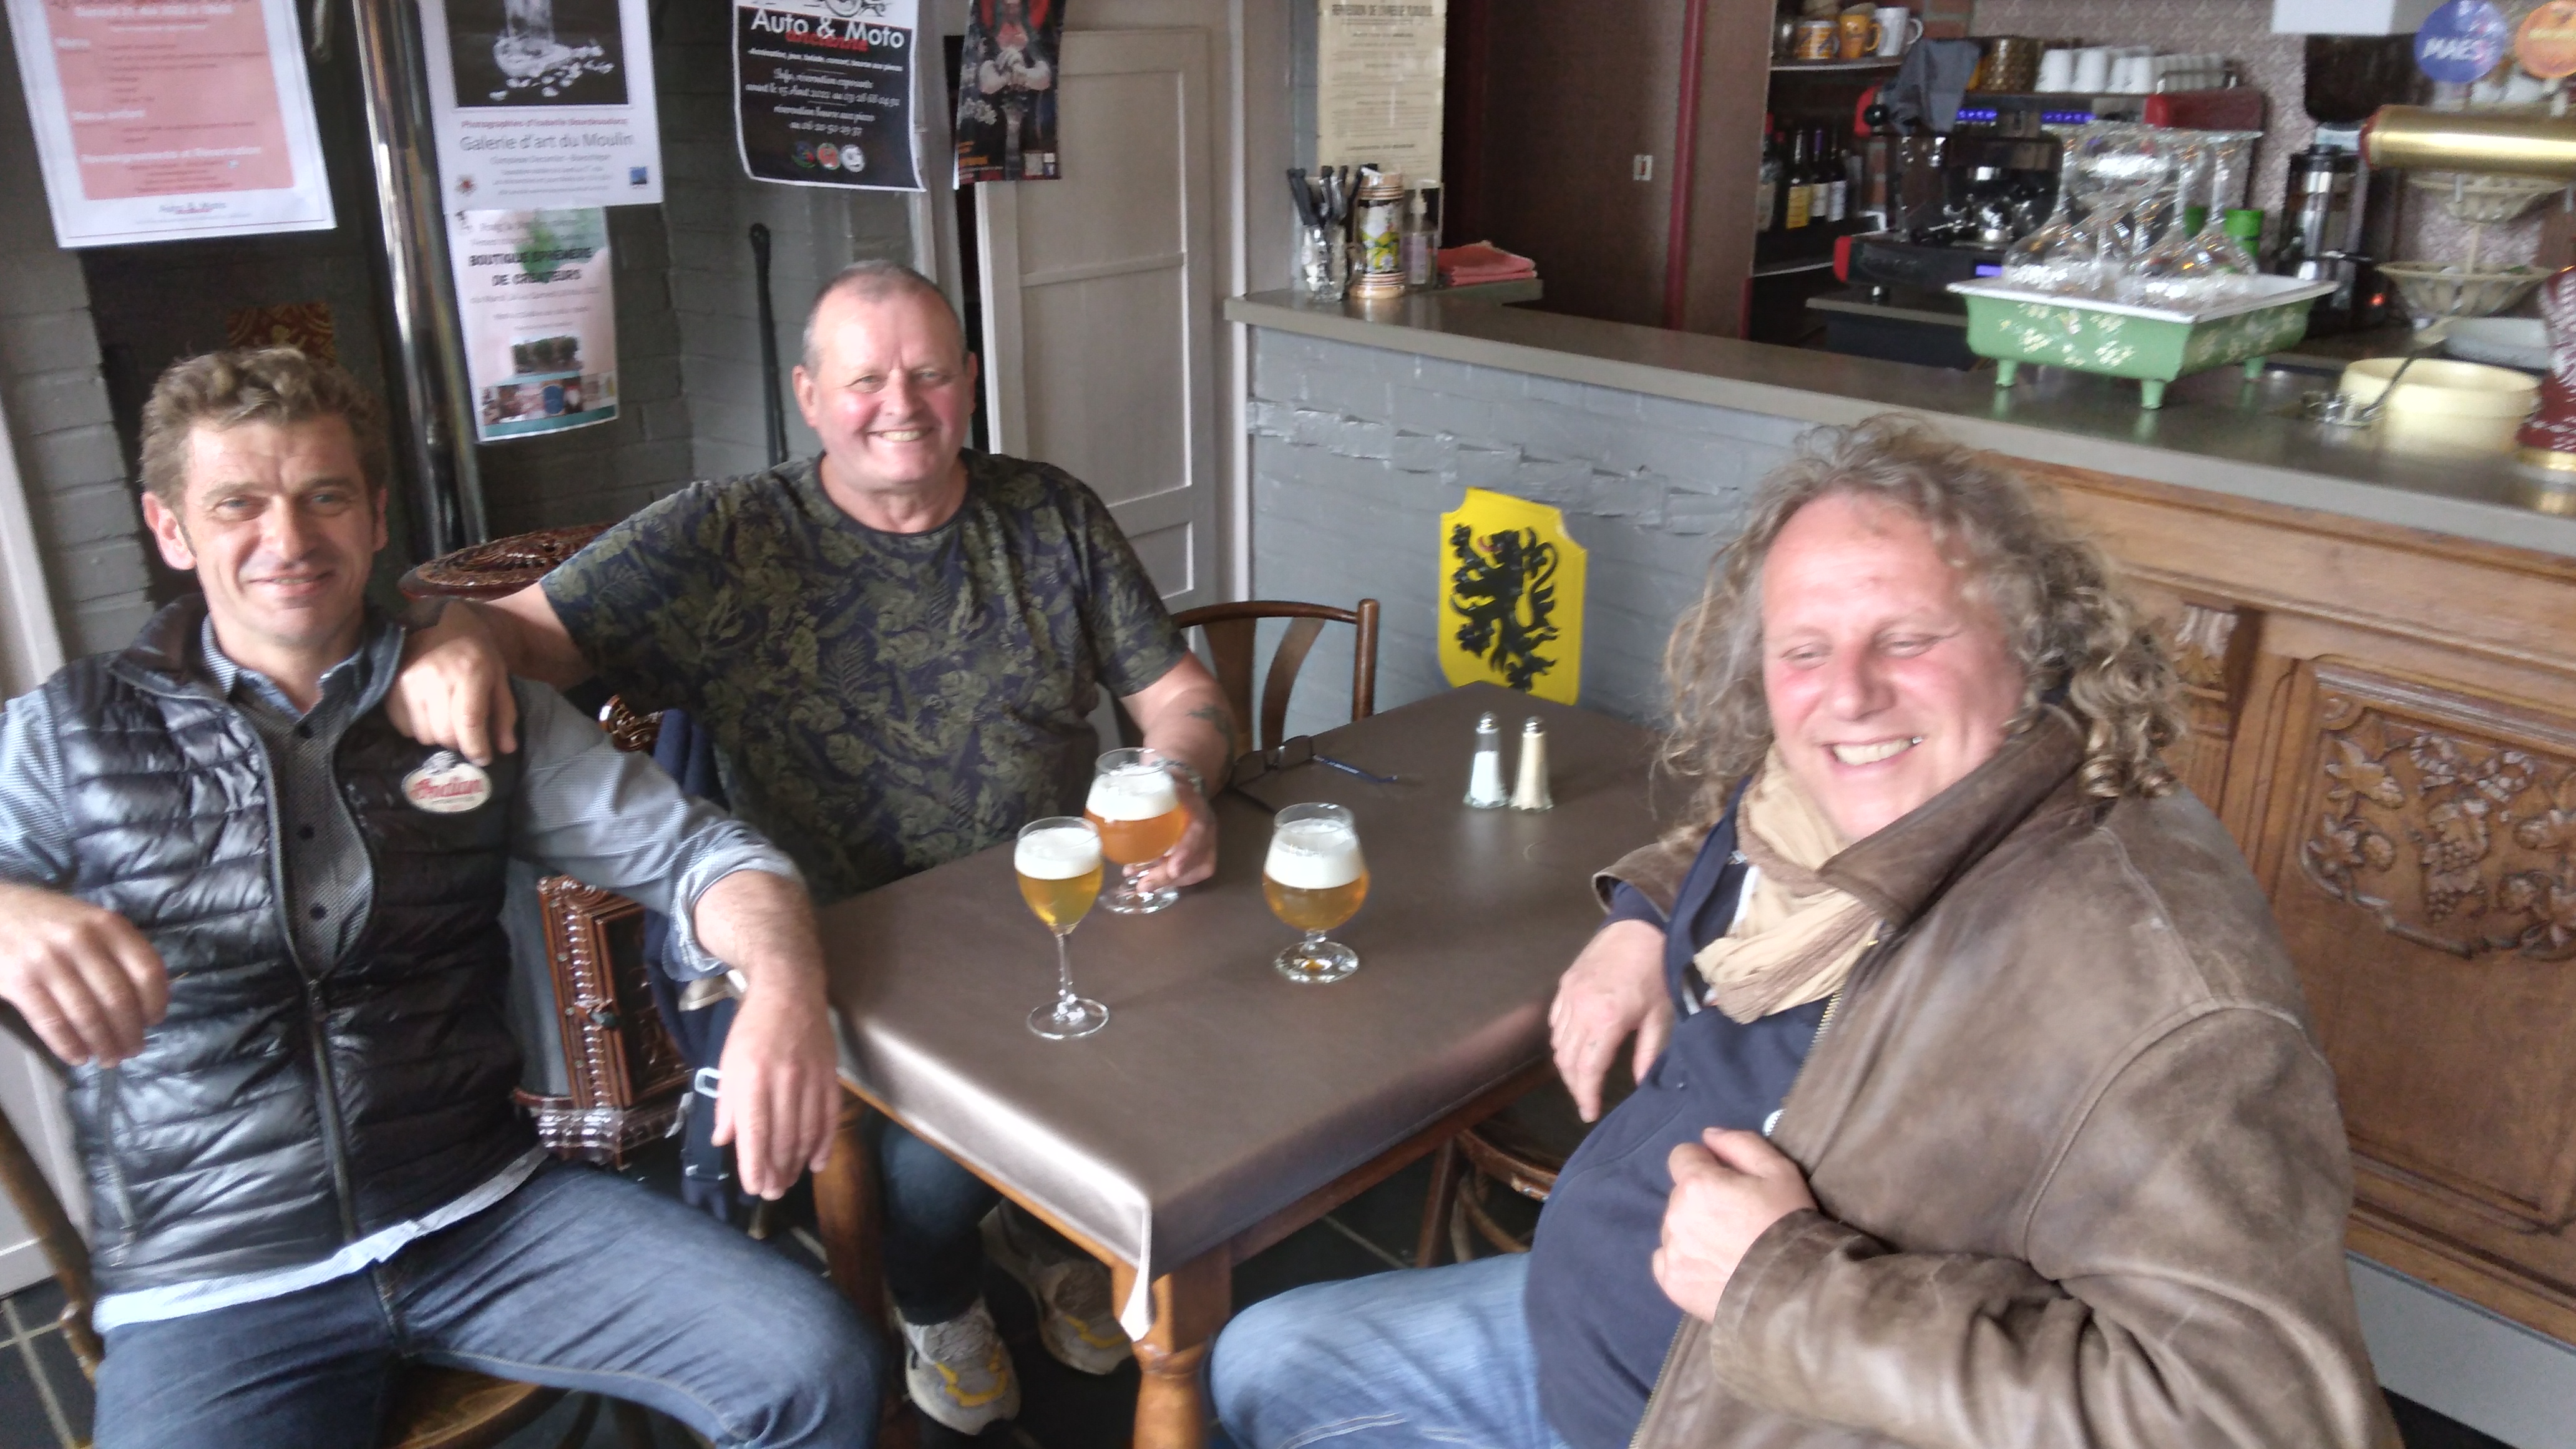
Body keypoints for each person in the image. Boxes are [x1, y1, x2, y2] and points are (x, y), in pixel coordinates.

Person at [1209, 416, 2400, 1449]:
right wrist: (1646, 914)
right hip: (1609, 1331)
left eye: (1909, 638)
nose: (1850, 693)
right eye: (1805, 649)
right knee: (1262, 1357)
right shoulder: (1840, 796)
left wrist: (1777, 1285)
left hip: (1738, 1407)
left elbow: (2262, 1420)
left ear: (2036, 646)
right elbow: (1746, 817)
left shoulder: (2160, 994)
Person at [389, 259, 1237, 1431]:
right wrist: (449, 639)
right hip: (843, 950)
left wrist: (1181, 779)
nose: (902, 404)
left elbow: (1181, 696)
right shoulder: (724, 535)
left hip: (1049, 913)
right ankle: (936, 1293)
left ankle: (1049, 1238)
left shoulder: (1051, 514)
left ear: (970, 381)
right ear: (808, 395)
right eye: (865, 379)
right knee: (938, 1165)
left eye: (930, 374)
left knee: (1185, 1041)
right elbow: (516, 634)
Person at [0, 348, 883, 1447]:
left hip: (487, 1211)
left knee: (818, 1368)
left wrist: (783, 987)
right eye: (238, 504)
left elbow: (707, 855)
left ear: (377, 516)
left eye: (325, 496)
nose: (288, 537)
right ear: (170, 529)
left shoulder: (473, 709)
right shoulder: (69, 735)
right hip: (216, 1278)